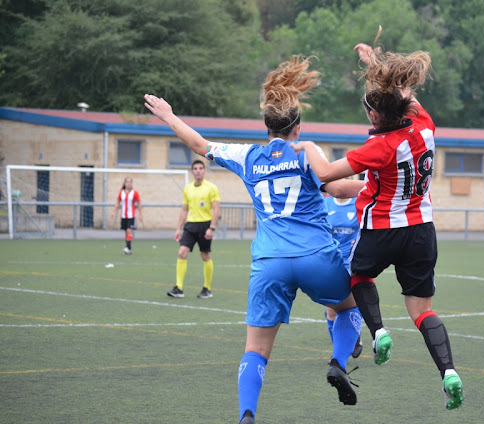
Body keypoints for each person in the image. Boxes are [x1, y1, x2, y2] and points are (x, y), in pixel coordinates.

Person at [144, 56, 365, 424]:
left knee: (256, 349)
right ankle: (338, 363)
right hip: (316, 255)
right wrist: (380, 188)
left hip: (270, 262)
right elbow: (339, 185)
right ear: (298, 127)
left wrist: (169, 116)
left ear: (267, 126)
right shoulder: (307, 153)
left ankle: (247, 415)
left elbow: (200, 145)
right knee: (351, 307)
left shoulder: (247, 156)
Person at [291, 42, 464, 410]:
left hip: (383, 229)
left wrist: (307, 146)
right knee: (422, 311)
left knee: (357, 276)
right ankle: (449, 372)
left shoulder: (379, 147)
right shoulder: (425, 125)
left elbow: (325, 175)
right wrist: (375, 64)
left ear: (373, 116)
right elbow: (404, 93)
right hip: (422, 230)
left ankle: (379, 331)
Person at [167, 160, 221, 299]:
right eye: (195, 168)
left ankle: (207, 289)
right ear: (192, 171)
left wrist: (212, 228)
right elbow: (185, 209)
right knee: (182, 253)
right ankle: (179, 288)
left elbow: (216, 209)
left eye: (200, 168)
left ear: (204, 171)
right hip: (190, 225)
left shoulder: (211, 188)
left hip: (205, 225)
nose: (198, 171)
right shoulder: (187, 188)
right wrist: (179, 228)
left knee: (205, 256)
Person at [324, 195, 363, 359]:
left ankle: (352, 341)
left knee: (353, 304)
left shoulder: (358, 203)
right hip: (331, 262)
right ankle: (339, 353)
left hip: (353, 262)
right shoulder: (325, 204)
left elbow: (367, 227)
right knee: (331, 310)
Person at [110, 177, 142, 255]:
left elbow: (138, 204)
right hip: (124, 215)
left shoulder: (135, 193)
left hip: (131, 215)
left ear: (132, 183)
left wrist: (140, 214)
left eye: (130, 182)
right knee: (126, 232)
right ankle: (129, 248)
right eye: (127, 182)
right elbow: (118, 202)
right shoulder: (121, 192)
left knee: (129, 231)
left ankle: (127, 248)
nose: (128, 183)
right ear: (125, 183)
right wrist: (113, 211)